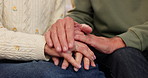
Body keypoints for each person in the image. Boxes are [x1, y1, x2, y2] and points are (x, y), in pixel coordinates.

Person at [0, 0, 106, 78]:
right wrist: (45, 46)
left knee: (87, 70)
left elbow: (55, 23)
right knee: (51, 74)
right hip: (6, 59)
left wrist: (67, 40)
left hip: (47, 53)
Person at [45, 0, 148, 78]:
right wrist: (72, 31)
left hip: (139, 48)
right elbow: (83, 14)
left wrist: (119, 41)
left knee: (125, 58)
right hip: (100, 45)